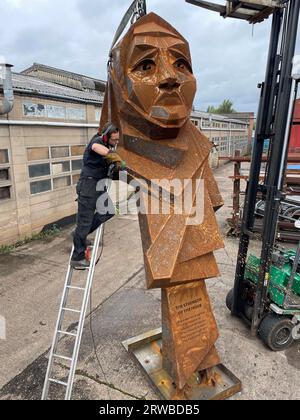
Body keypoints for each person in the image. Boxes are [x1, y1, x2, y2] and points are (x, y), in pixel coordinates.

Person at [71, 123, 125, 270]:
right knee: (84, 221)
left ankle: (79, 235)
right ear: (106, 136)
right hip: (88, 187)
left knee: (108, 211)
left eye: (117, 140)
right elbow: (96, 148)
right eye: (114, 140)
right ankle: (78, 257)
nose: (116, 142)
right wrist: (112, 155)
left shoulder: (107, 149)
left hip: (99, 187)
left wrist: (119, 169)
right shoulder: (97, 142)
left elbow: (111, 171)